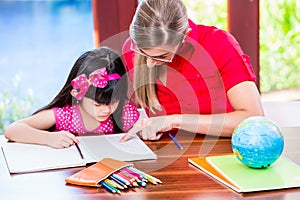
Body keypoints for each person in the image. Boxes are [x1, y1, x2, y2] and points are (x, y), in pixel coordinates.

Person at [120, 0, 264, 141]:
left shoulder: (219, 43)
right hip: (166, 151)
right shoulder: (130, 50)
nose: (149, 64)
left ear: (185, 36)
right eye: (143, 53)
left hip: (224, 149)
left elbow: (253, 119)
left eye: (163, 56)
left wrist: (174, 121)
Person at [4, 46, 139, 148]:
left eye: (114, 101)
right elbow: (12, 130)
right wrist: (48, 138)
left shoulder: (124, 113)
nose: (106, 110)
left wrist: (144, 129)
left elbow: (141, 129)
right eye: (97, 104)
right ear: (78, 94)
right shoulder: (66, 115)